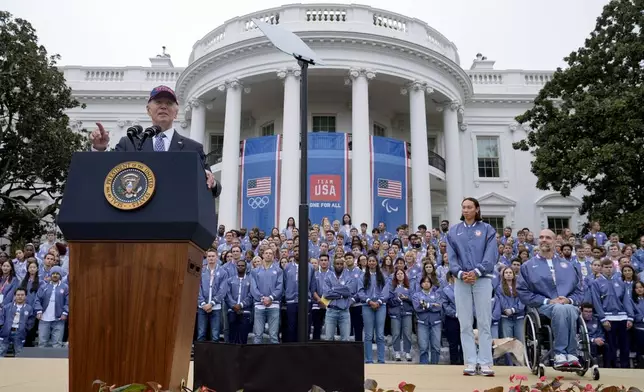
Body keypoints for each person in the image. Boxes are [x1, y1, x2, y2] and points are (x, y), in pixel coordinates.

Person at [88, 85, 219, 192]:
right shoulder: (130, 143)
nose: (163, 106)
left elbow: (215, 187)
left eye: (169, 103)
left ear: (176, 113)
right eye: (158, 102)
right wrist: (99, 150)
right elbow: (107, 176)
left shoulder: (193, 148)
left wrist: (211, 182)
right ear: (148, 110)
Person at [517, 229, 584, 368]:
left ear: (555, 242)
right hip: (543, 306)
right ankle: (560, 353)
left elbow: (579, 290)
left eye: (548, 237)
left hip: (566, 304)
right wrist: (547, 301)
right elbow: (523, 291)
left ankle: (571, 354)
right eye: (541, 237)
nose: (544, 240)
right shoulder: (528, 266)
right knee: (560, 309)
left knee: (570, 309)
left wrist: (568, 300)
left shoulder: (569, 266)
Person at [446, 197, 497, 376]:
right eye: (464, 207)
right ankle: (470, 361)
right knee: (465, 322)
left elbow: (491, 255)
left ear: (476, 209)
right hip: (461, 280)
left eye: (469, 207)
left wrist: (477, 271)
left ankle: (485, 362)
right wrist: (460, 273)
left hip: (482, 279)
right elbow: (451, 257)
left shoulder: (487, 229)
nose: (466, 210)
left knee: (484, 321)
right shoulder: (453, 232)